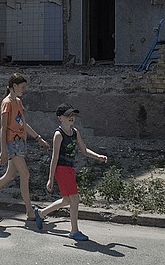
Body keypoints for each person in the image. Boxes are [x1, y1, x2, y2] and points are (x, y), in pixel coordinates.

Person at [34, 103, 108, 242]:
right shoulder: (58, 134)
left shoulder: (75, 132)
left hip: (70, 169)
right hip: (61, 170)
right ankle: (74, 231)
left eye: (73, 115)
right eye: (68, 115)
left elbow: (84, 150)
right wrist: (50, 178)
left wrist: (98, 156)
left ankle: (41, 213)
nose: (71, 117)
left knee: (67, 200)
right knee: (75, 198)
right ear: (60, 118)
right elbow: (54, 157)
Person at [0, 72, 50, 220]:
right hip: (12, 143)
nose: (24, 89)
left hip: (20, 142)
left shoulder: (18, 102)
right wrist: (3, 150)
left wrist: (38, 138)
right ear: (14, 86)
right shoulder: (7, 103)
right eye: (22, 87)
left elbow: (23, 123)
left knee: (9, 175)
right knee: (25, 174)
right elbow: (3, 127)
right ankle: (29, 211)